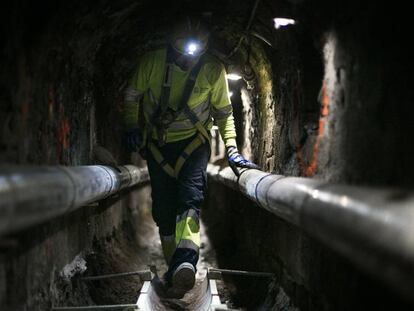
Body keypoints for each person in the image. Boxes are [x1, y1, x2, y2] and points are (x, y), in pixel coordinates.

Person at [122, 16, 258, 298]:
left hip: (194, 144)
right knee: (163, 209)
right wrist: (132, 126)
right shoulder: (152, 63)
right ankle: (175, 267)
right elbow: (132, 96)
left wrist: (231, 148)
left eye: (194, 54)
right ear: (172, 48)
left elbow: (223, 112)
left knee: (190, 199)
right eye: (182, 53)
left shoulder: (212, 69)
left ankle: (186, 260)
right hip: (158, 146)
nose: (188, 59)